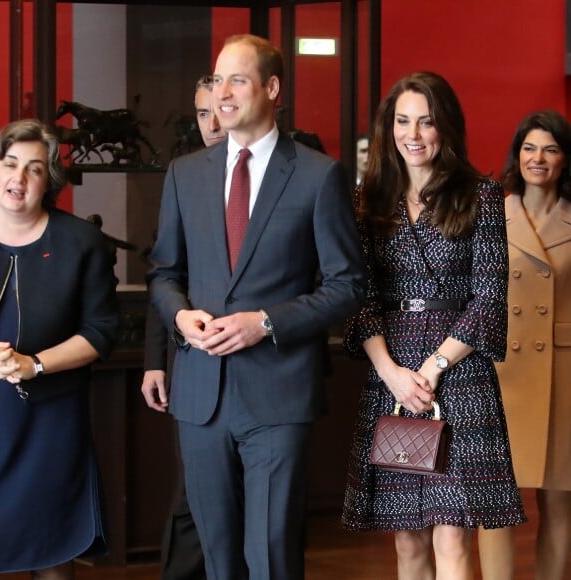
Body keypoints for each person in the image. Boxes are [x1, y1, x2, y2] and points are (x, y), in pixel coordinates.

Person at [146, 34, 365, 579]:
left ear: (272, 88)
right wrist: (179, 315)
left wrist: (265, 323)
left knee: (270, 556)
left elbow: (347, 286)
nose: (223, 92)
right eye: (217, 79)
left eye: (236, 79)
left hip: (278, 393)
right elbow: (163, 273)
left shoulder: (318, 175)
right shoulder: (185, 173)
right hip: (200, 394)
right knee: (217, 557)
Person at [341, 71, 526, 579]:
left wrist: (436, 364)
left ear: (445, 127)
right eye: (402, 121)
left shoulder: (481, 195)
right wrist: (392, 372)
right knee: (408, 542)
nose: (413, 134)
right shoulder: (367, 201)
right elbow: (360, 299)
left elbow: (489, 299)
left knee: (453, 534)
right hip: (393, 374)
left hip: (459, 373)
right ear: (388, 129)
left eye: (426, 122)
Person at [0, 119, 119, 579]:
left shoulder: (81, 242)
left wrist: (35, 364)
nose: (18, 179)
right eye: (9, 165)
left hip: (50, 422)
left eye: (34, 169)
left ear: (50, 183)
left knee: (52, 550)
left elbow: (102, 330)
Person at [477, 110, 571, 580]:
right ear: (517, 153)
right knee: (495, 502)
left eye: (551, 149)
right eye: (530, 147)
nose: (539, 158)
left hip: (563, 374)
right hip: (499, 369)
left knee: (559, 502)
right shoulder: (490, 210)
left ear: (564, 159)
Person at [141, 74, 226, 580]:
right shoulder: (183, 175)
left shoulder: (289, 167)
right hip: (190, 357)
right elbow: (165, 273)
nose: (212, 124)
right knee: (192, 496)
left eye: (220, 109)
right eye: (201, 113)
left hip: (264, 356)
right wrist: (156, 361)